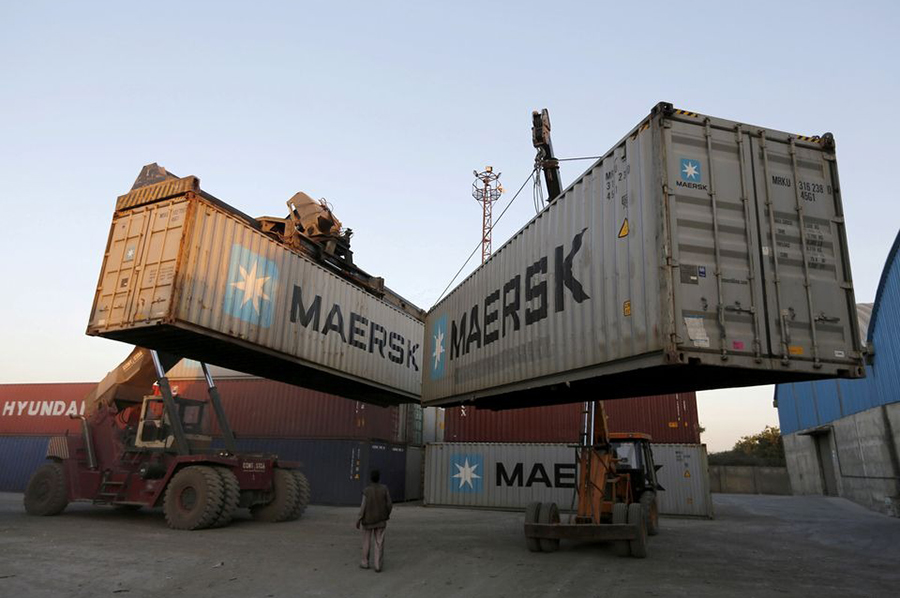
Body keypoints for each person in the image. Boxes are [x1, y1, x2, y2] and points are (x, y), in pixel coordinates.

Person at [357, 469, 392, 572]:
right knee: (379, 542)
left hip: (367, 521)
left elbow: (363, 506)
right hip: (381, 521)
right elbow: (389, 504)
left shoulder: (366, 490)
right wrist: (386, 515)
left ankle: (365, 562)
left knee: (366, 541)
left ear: (371, 478)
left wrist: (359, 519)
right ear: (379, 478)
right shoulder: (384, 489)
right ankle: (377, 565)